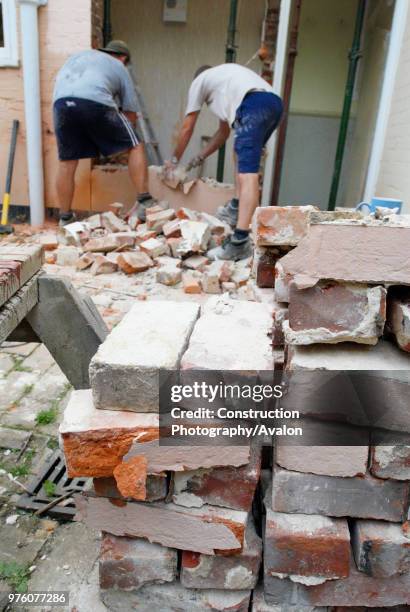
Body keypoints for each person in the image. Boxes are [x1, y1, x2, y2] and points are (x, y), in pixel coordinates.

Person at [166, 63, 283, 260]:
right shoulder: (225, 86)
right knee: (239, 154)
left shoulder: (200, 81)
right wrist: (199, 157)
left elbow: (187, 127)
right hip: (273, 104)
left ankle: (239, 242)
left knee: (248, 174)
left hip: (253, 104)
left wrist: (174, 160)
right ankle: (237, 207)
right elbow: (223, 134)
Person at [53, 40, 154, 226]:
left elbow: (75, 100)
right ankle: (144, 201)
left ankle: (65, 218)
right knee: (136, 144)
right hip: (94, 100)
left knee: (67, 162)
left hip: (61, 104)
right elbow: (130, 114)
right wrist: (119, 148)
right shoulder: (119, 66)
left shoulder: (80, 57)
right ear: (123, 58)